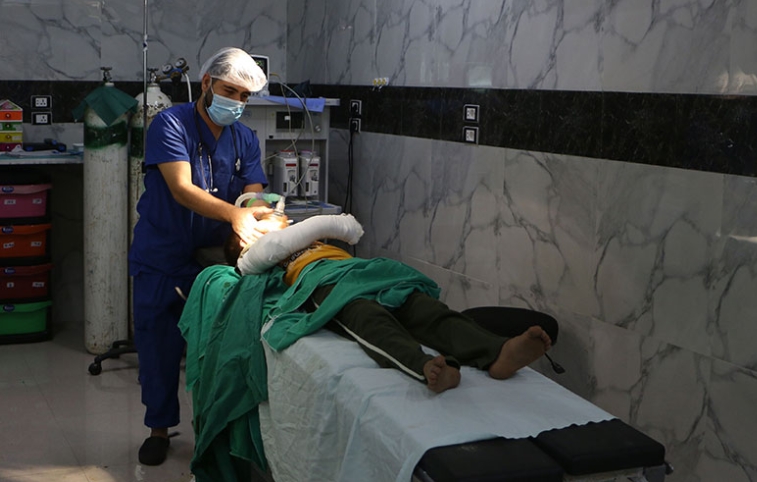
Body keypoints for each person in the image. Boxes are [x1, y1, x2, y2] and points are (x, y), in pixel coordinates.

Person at [128, 47, 274, 466]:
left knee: (219, 349)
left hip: (213, 260)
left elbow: (254, 187)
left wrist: (257, 208)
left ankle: (216, 428)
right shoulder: (170, 123)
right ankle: (159, 429)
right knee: (158, 346)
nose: (238, 103)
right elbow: (181, 188)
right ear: (207, 83)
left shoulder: (244, 136)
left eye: (246, 97)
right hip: (163, 253)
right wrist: (235, 214)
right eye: (231, 91)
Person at [223, 216, 553, 393]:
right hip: (323, 283)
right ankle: (424, 365)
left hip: (362, 272)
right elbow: (251, 262)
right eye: (261, 217)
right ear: (247, 240)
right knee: (369, 319)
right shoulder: (259, 256)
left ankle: (497, 352)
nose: (274, 217)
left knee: (423, 307)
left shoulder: (307, 236)